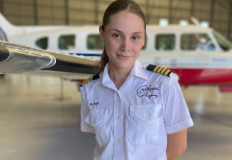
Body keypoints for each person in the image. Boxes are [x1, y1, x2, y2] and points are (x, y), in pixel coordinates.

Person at [80, 0, 194, 159]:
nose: (125, 46)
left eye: (135, 37)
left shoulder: (164, 84)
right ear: (102, 34)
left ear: (143, 40)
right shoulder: (90, 89)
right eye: (117, 35)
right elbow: (102, 142)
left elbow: (178, 146)